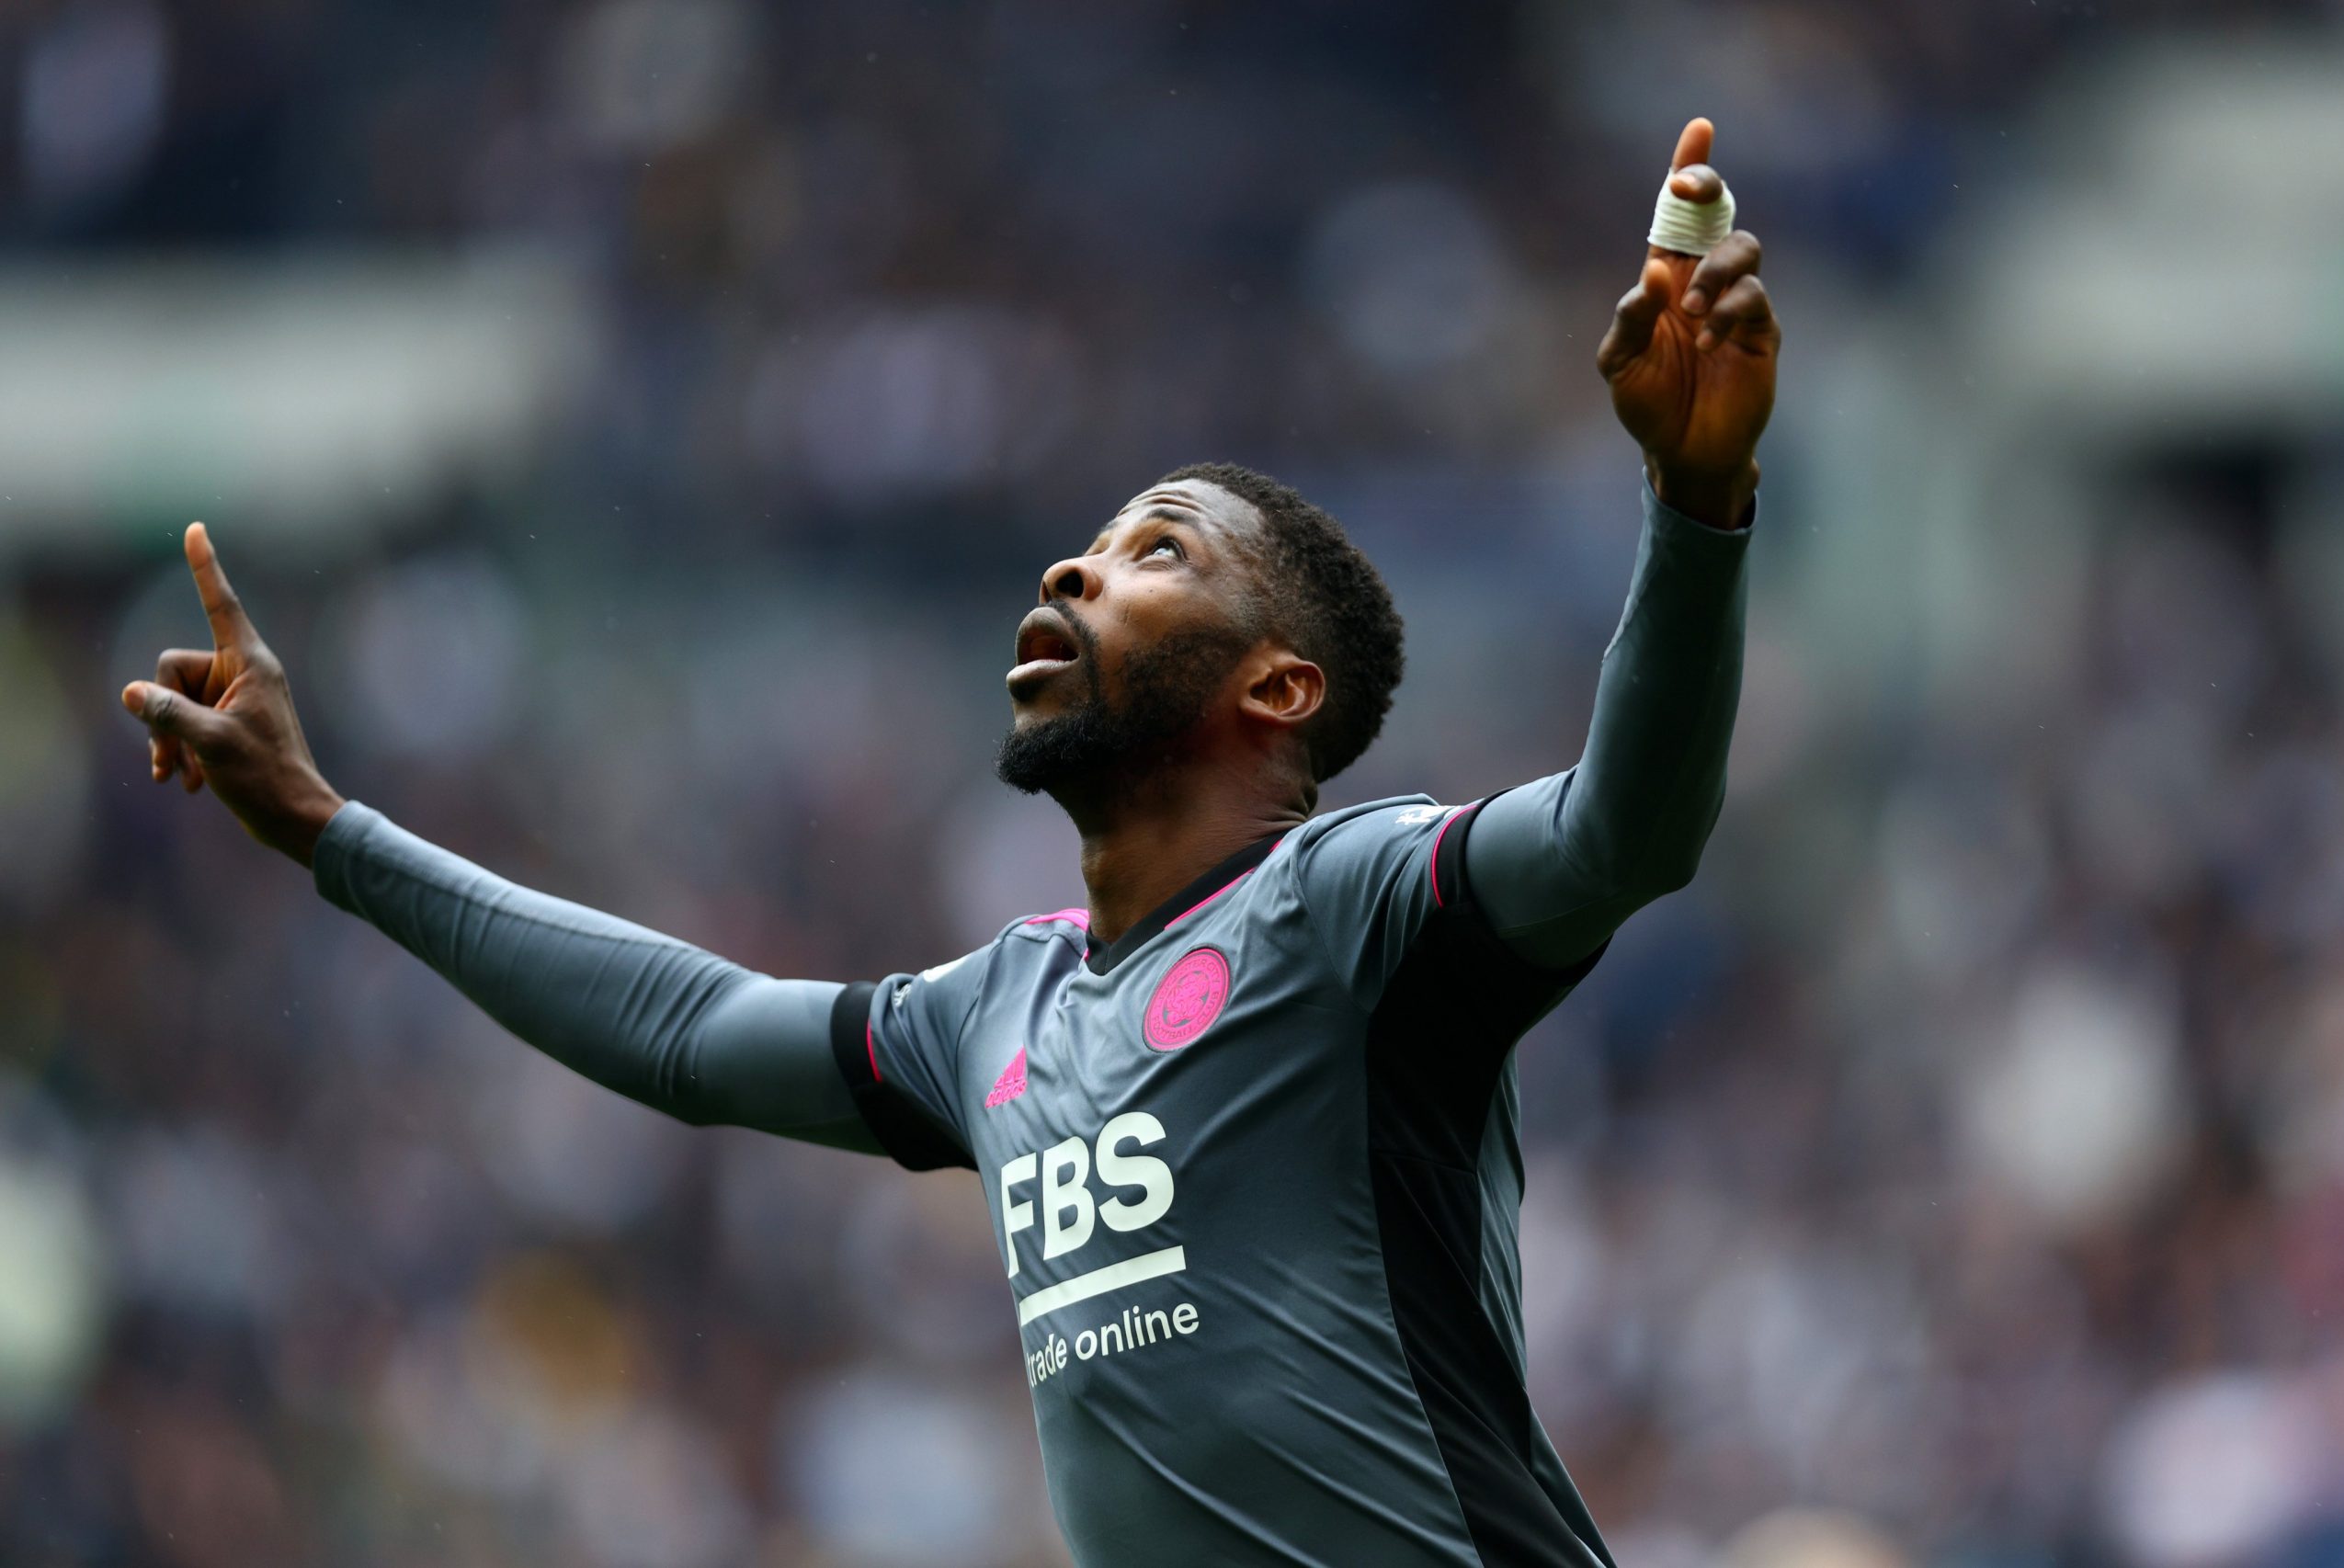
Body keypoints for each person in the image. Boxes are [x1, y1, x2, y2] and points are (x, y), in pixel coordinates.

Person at [120, 118, 1778, 1568]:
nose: (1071, 571)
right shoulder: (1000, 1011)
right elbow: (688, 1030)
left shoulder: (1348, 906)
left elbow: (1623, 834)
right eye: (1084, 547)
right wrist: (331, 830)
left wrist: (1694, 509)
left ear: (1279, 686)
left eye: (1157, 553)